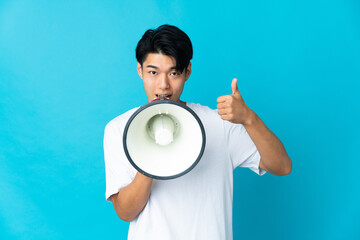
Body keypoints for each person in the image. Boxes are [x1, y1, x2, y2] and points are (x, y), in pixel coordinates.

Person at [104, 24, 292, 240]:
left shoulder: (220, 124)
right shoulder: (119, 129)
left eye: (173, 73)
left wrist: (249, 118)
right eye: (153, 72)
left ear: (187, 72)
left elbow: (282, 166)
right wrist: (150, 156)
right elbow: (125, 212)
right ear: (140, 71)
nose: (163, 85)